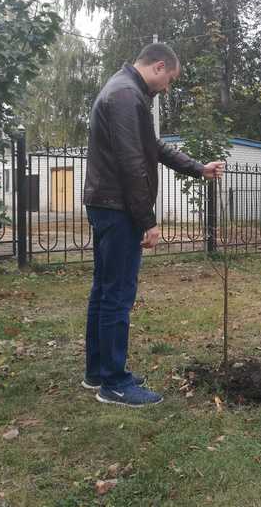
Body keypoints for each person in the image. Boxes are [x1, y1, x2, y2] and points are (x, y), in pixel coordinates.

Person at [82, 42, 225, 407]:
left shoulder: (122, 90)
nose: (167, 88)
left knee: (104, 289)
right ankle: (114, 383)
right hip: (118, 208)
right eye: (169, 80)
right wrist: (147, 220)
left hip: (105, 203)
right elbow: (133, 163)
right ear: (159, 67)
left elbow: (153, 148)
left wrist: (198, 168)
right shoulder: (128, 96)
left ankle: (98, 370)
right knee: (117, 294)